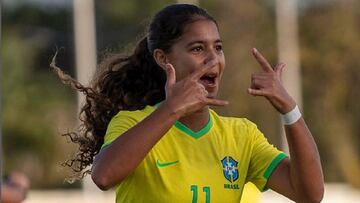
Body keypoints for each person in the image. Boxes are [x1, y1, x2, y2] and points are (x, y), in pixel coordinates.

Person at [52, 3, 324, 203]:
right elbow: (104, 177)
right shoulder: (132, 123)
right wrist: (172, 109)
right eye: (197, 48)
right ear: (162, 58)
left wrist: (290, 110)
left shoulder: (242, 136)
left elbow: (310, 194)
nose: (213, 59)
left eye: (218, 48)